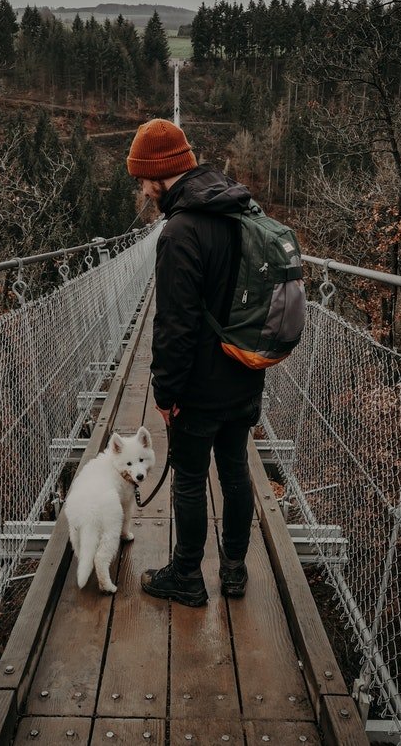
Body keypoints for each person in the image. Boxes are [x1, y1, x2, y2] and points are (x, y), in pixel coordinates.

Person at [126, 118, 264, 607]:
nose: (142, 189)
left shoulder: (180, 231)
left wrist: (166, 393)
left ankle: (186, 575)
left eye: (143, 178)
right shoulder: (238, 208)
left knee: (188, 478)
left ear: (162, 174)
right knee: (234, 471)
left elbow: (174, 326)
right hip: (246, 372)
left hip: (200, 387)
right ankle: (234, 571)